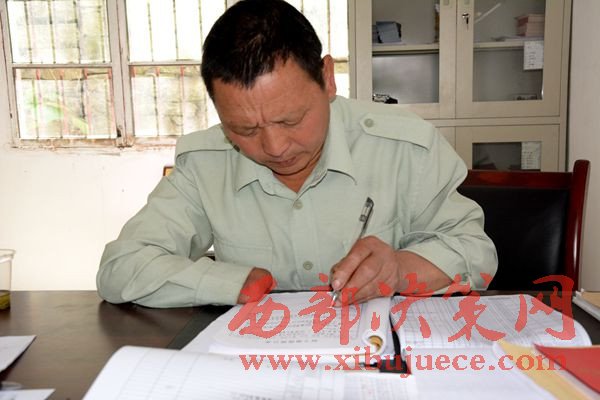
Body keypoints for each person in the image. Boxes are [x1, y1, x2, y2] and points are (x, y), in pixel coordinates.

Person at [97, 0, 497, 308]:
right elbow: (121, 267)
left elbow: (475, 252)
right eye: (244, 130)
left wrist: (399, 269)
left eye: (291, 120)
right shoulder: (205, 163)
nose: (275, 148)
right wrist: (228, 282)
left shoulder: (405, 146)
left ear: (327, 78)